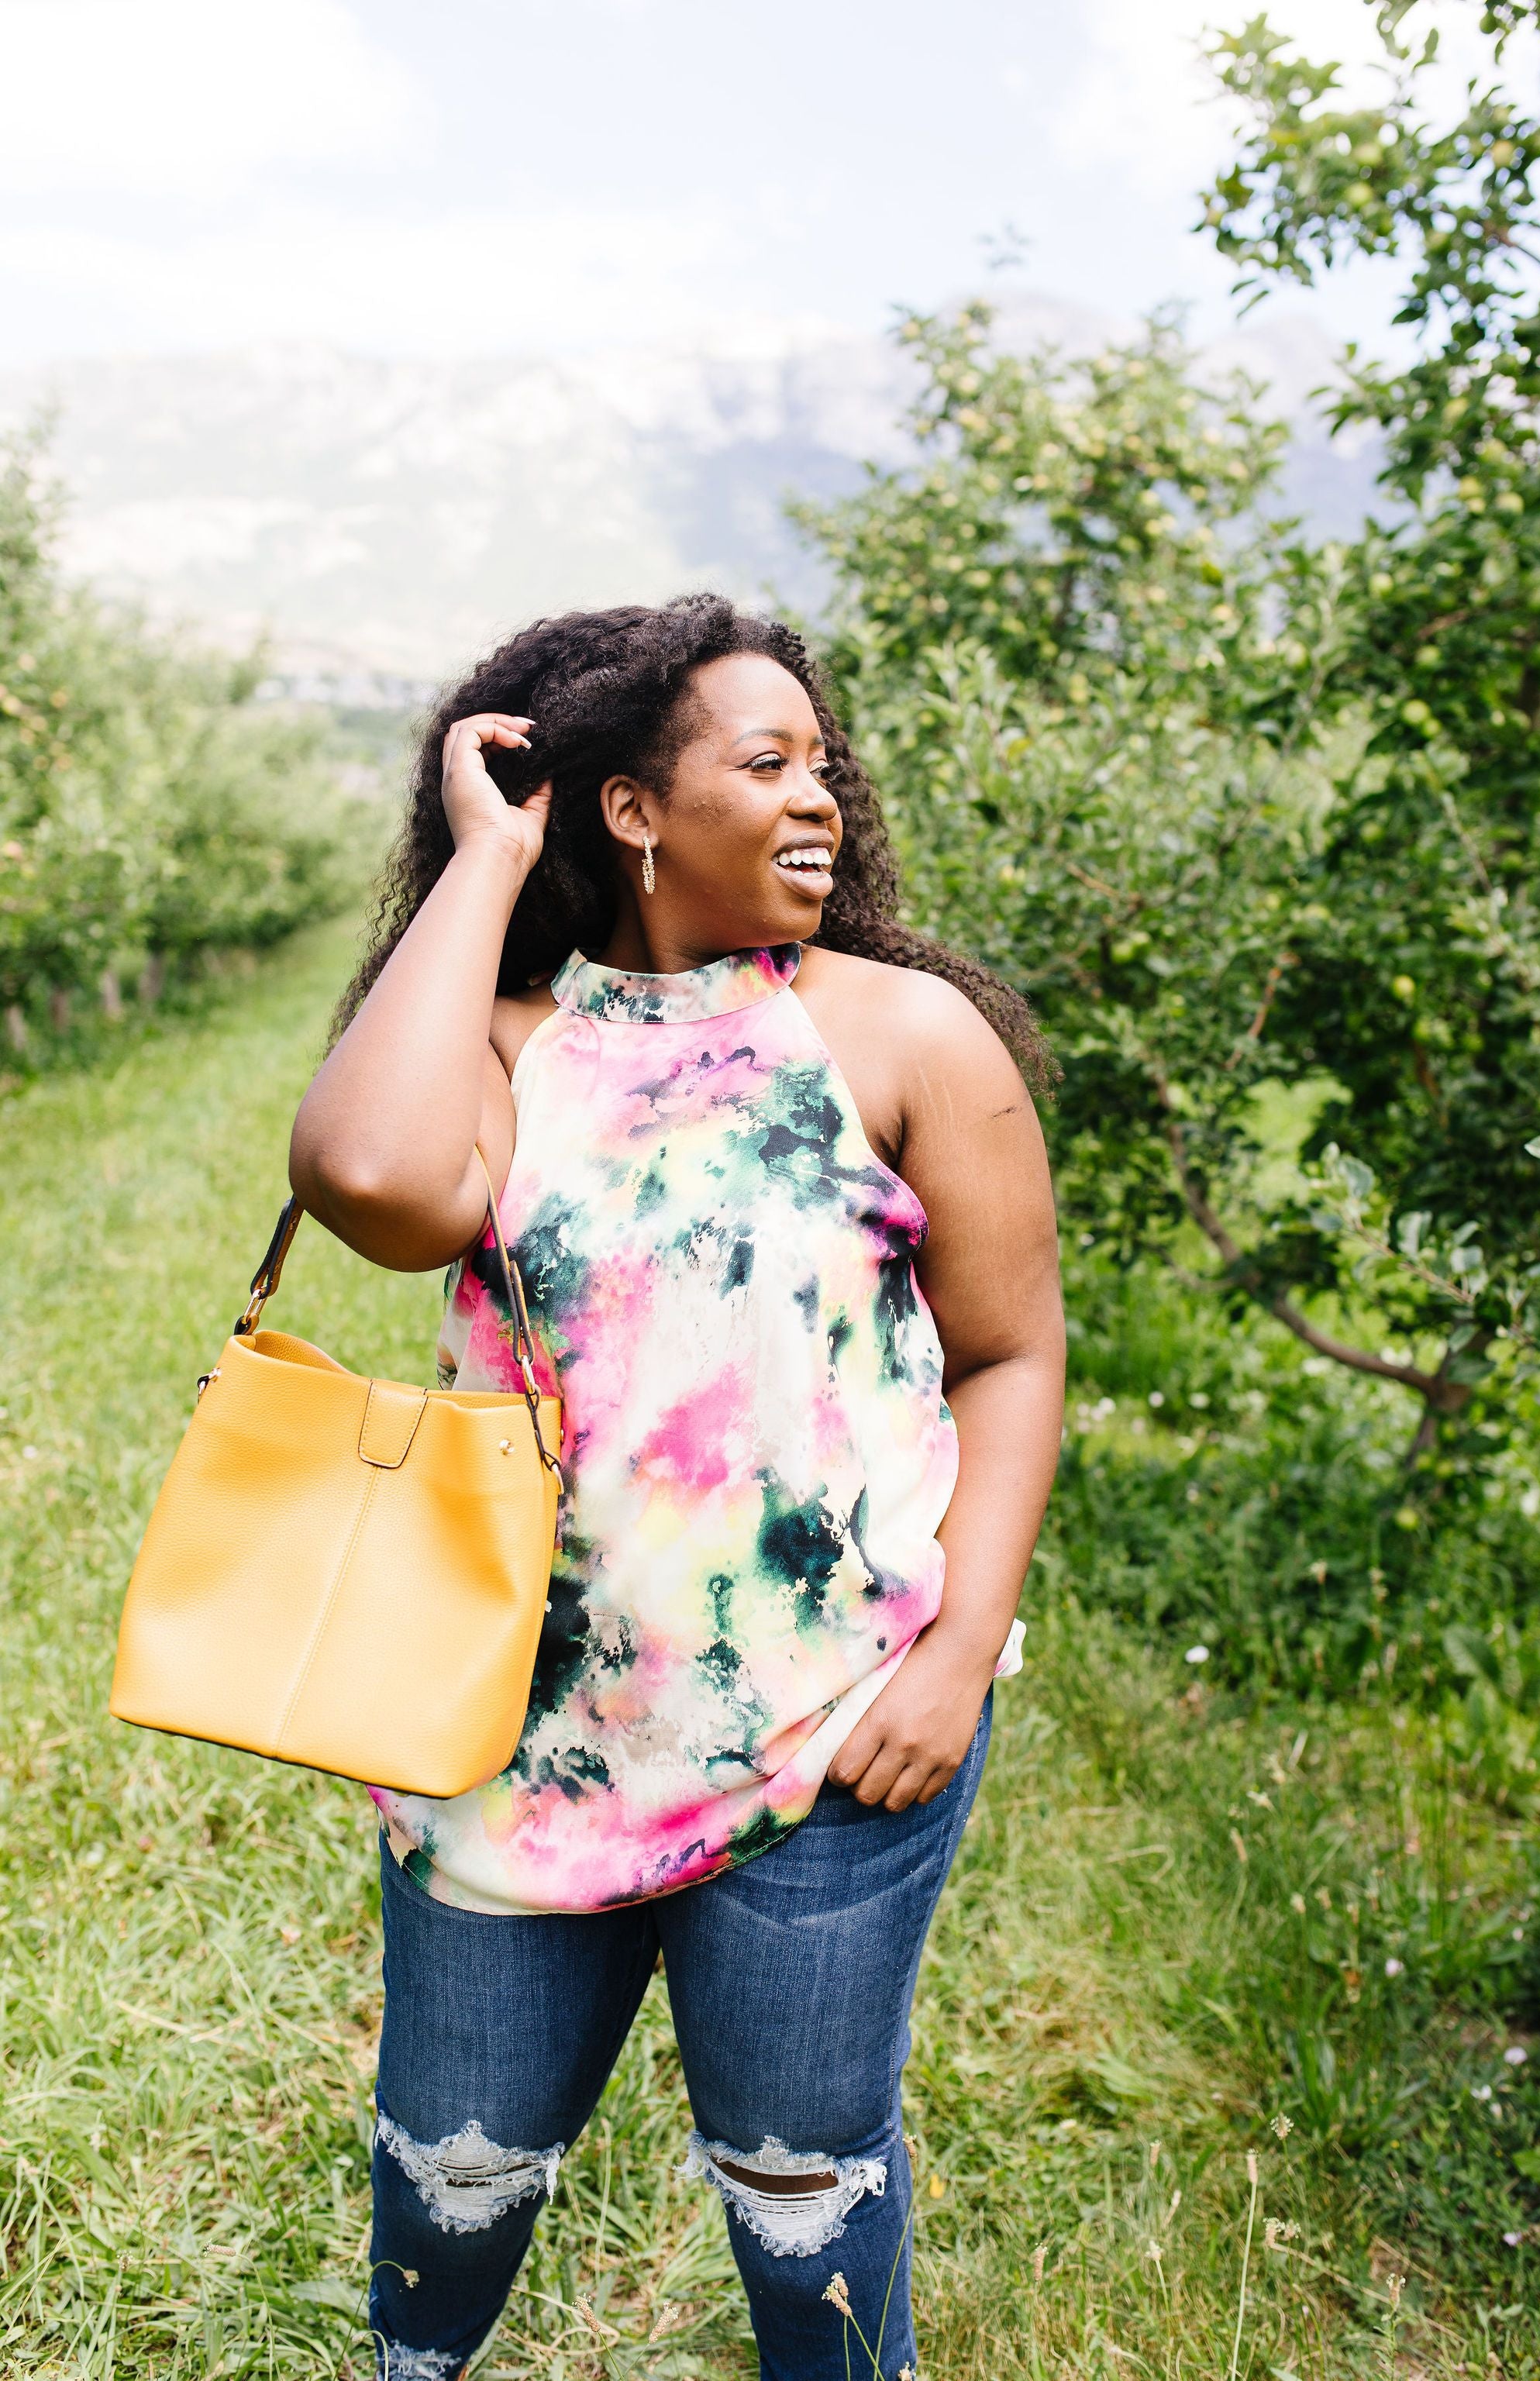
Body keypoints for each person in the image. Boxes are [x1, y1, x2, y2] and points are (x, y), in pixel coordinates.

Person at [289, 594, 1065, 2381]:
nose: (820, 800)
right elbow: (366, 1178)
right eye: (765, 762)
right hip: (509, 1734)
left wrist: (958, 1655)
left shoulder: (906, 1037)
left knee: (804, 2201)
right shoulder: (504, 1051)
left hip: (831, 1735)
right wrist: (490, 857)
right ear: (631, 808)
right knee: (454, 2178)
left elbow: (1009, 1355)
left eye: (823, 765)